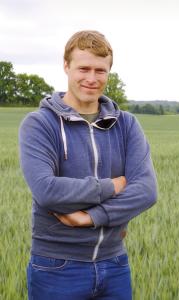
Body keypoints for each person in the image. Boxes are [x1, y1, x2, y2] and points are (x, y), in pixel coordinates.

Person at [19, 30, 157, 299]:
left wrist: (89, 218)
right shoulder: (40, 124)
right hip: (56, 267)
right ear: (66, 66)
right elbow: (47, 190)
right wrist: (113, 185)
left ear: (108, 72)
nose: (92, 79)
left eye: (100, 70)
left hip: (115, 264)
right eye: (83, 68)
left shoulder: (126, 124)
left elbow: (147, 191)